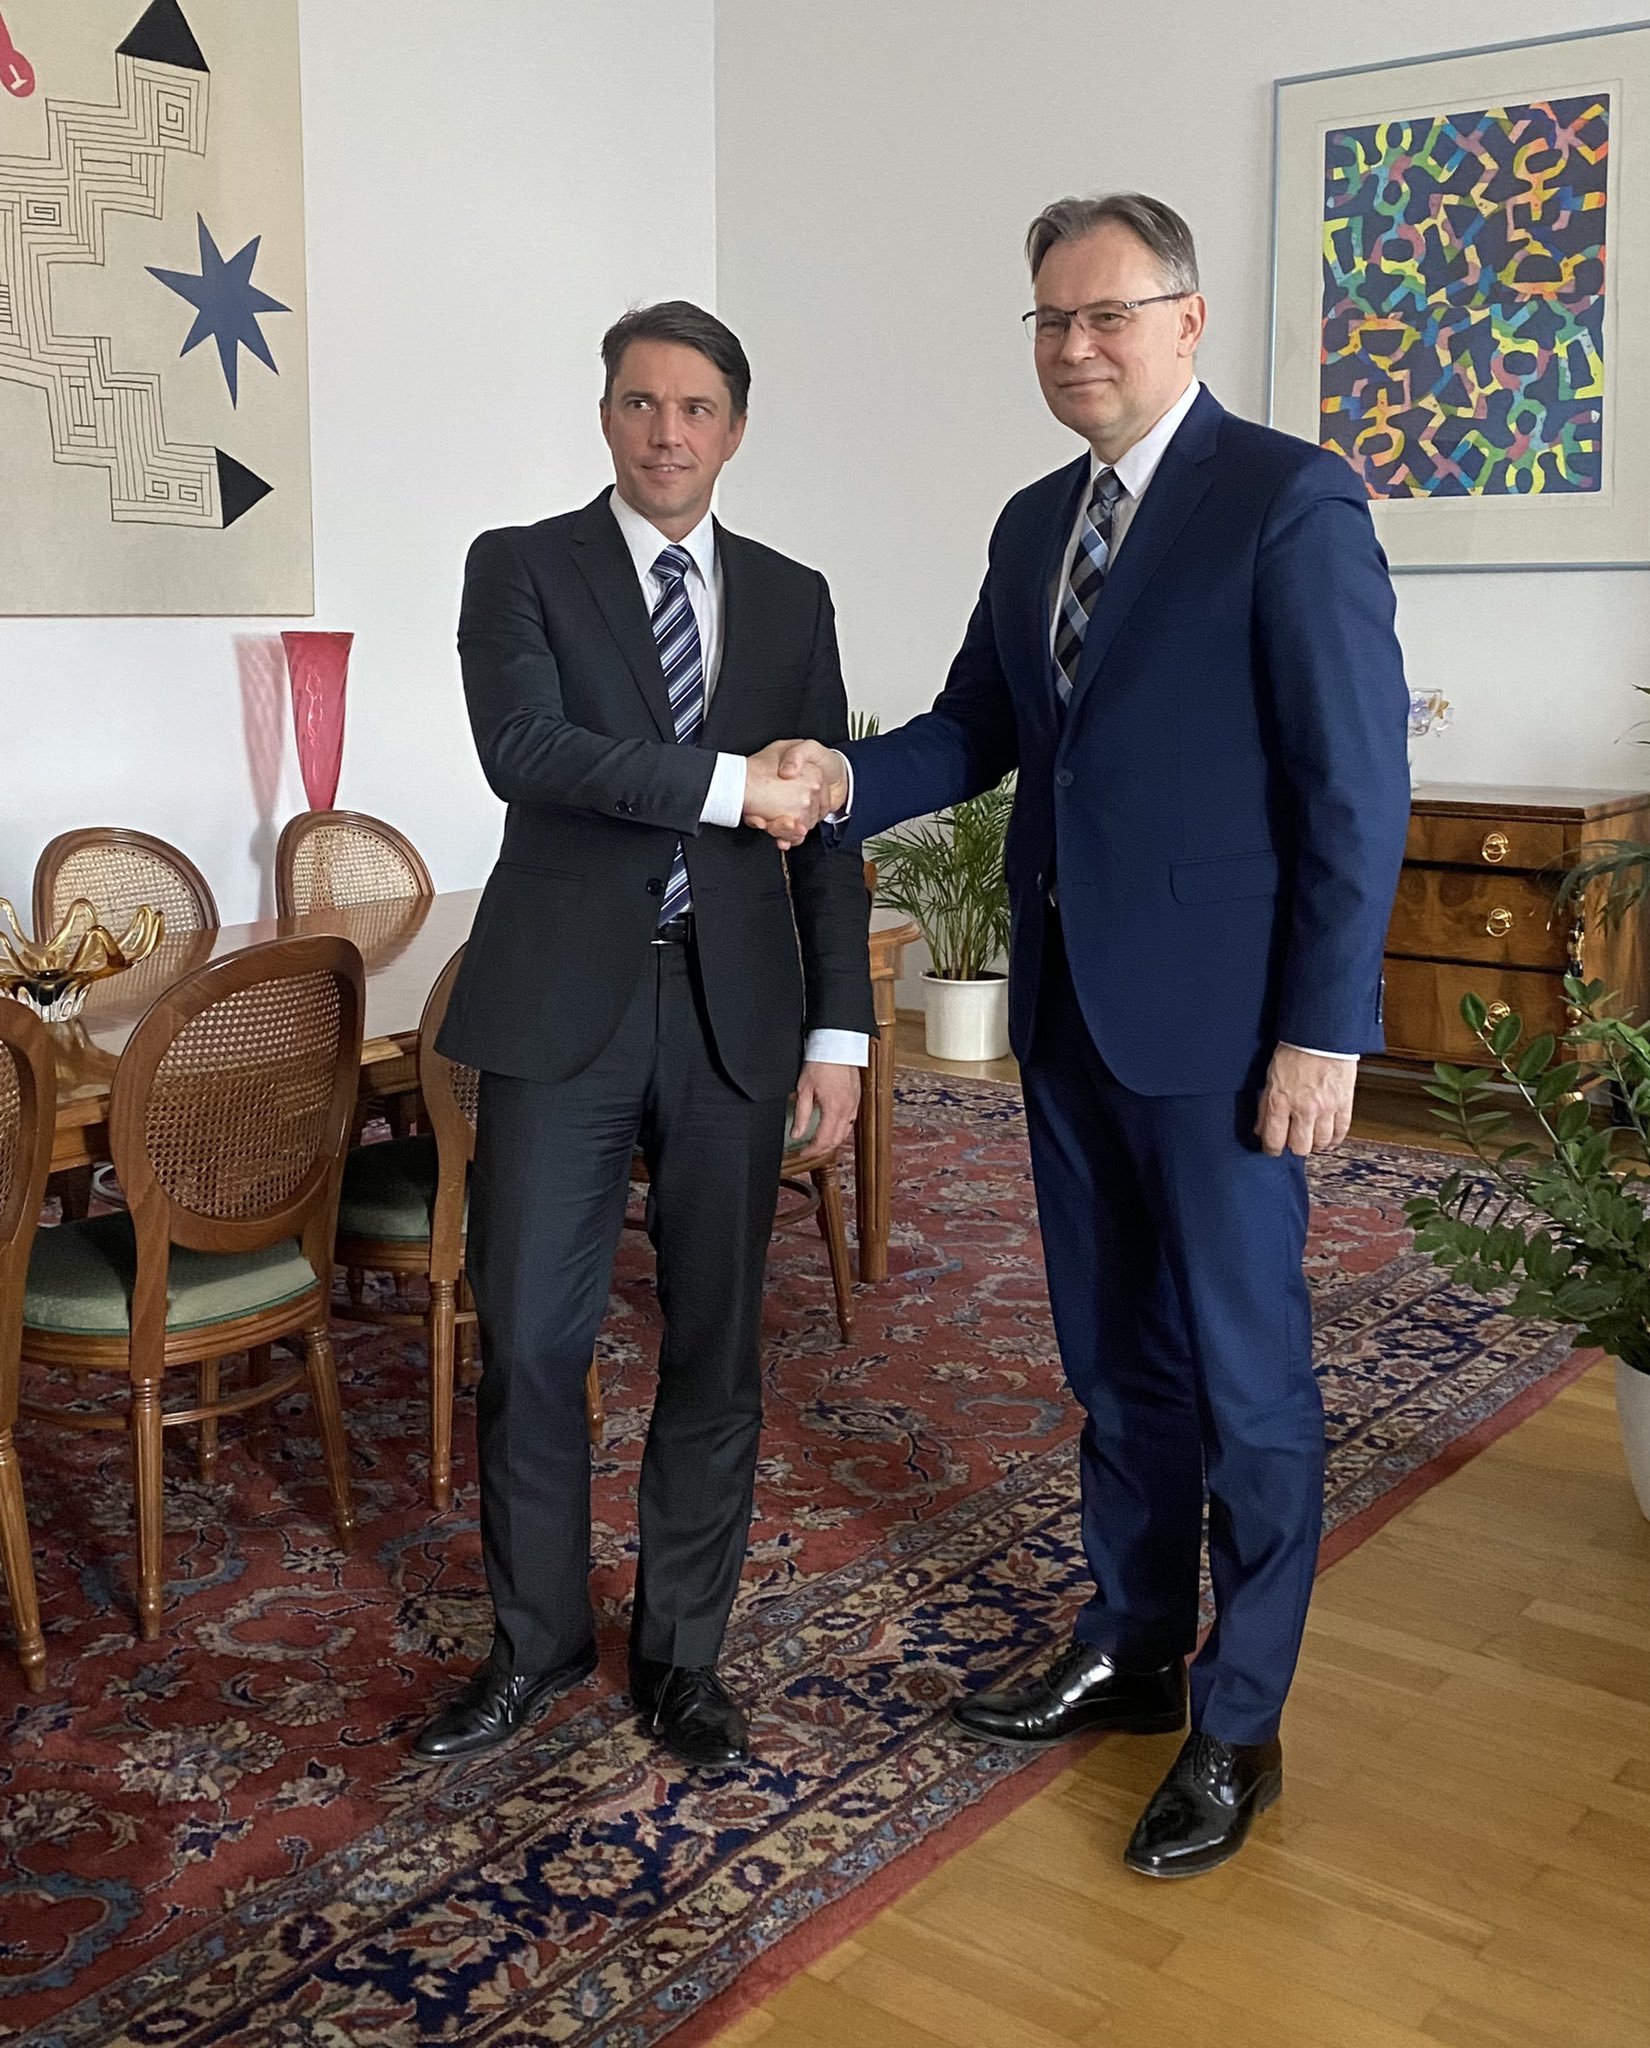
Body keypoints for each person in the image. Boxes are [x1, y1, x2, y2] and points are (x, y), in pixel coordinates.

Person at [763, 195, 1410, 1875]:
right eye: (1050, 320)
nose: (1073, 346)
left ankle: (1238, 1724)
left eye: (1106, 314)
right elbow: (979, 725)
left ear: (1185, 321)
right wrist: (840, 778)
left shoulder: (1286, 498)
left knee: (1246, 1381)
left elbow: (1353, 784)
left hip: (1224, 1032)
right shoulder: (1032, 519)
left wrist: (1322, 1029)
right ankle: (1129, 1647)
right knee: (1114, 1361)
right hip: (1066, 1017)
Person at [413, 301, 872, 1770]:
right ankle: (535, 1643)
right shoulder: (521, 565)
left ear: (735, 429)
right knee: (532, 1344)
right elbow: (526, 750)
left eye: (694, 408)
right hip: (563, 1010)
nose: (665, 433)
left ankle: (682, 1655)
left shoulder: (792, 596)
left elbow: (827, 834)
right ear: (604, 415)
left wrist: (841, 1034)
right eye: (638, 403)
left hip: (735, 1014)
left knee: (716, 1348)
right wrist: (734, 785)